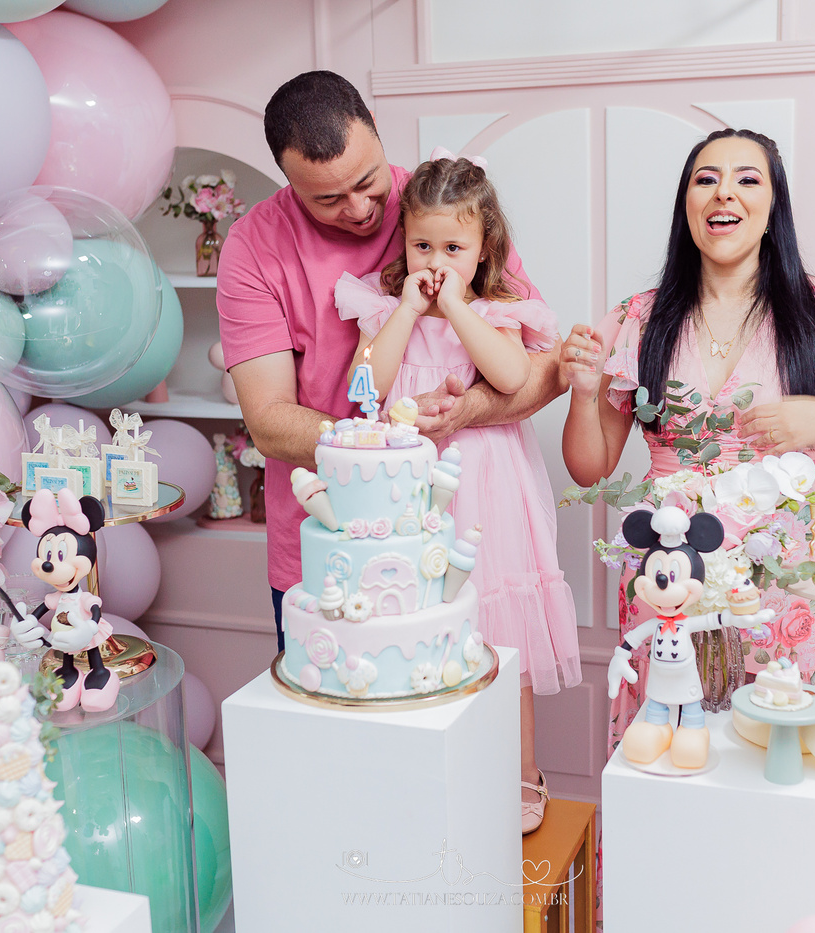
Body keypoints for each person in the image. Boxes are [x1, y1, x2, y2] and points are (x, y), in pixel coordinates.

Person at [215, 72, 564, 818]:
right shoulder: (254, 249)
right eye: (327, 199)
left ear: (378, 133)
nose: (360, 209)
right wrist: (387, 441)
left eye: (368, 182)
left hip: (459, 513)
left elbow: (539, 371)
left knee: (476, 693)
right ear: (288, 182)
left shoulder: (442, 199)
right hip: (332, 543)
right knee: (360, 776)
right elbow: (269, 420)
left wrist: (462, 411)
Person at [558, 128, 815, 758]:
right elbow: (590, 469)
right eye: (706, 179)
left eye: (748, 179)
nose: (725, 192)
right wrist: (584, 395)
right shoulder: (639, 318)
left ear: (773, 206)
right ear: (687, 206)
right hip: (672, 573)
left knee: (783, 754)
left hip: (792, 580)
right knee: (669, 745)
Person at [335, 152, 581, 832]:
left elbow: (510, 377)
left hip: (487, 484)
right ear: (404, 243)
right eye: (422, 246)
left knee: (503, 638)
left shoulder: (495, 310)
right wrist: (410, 309)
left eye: (453, 248)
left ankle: (522, 772)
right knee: (427, 638)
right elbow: (364, 387)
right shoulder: (384, 308)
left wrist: (453, 305)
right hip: (413, 492)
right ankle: (444, 778)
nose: (435, 260)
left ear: (483, 249)